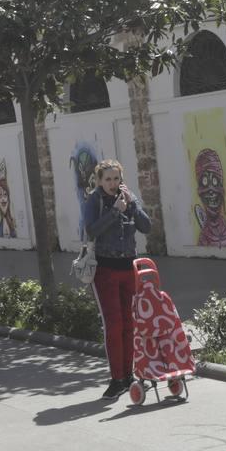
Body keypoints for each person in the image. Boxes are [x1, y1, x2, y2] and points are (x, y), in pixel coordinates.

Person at [81, 159, 152, 399]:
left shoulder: (127, 197)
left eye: (116, 178)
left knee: (130, 323)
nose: (113, 183)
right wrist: (115, 212)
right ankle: (116, 378)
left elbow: (147, 226)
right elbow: (91, 230)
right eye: (108, 179)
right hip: (105, 270)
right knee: (114, 325)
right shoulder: (94, 201)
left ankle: (129, 374)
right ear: (99, 181)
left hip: (128, 267)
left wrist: (132, 205)